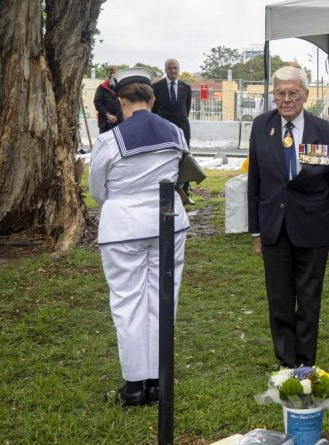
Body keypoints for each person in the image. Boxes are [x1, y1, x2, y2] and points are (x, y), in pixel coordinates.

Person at [89, 68, 190, 406]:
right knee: (163, 299)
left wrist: (120, 200)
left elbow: (97, 190)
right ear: (153, 98)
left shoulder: (109, 140)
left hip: (122, 227)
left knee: (128, 304)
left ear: (120, 100)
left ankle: (134, 385)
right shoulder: (175, 132)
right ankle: (159, 381)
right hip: (167, 222)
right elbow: (180, 173)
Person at [247, 66, 329, 369]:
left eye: (293, 92)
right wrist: (255, 231)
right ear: (273, 95)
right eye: (280, 93)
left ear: (305, 94)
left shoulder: (327, 132)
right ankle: (286, 363)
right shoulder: (261, 126)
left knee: (308, 301)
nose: (286, 99)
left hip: (313, 229)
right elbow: (255, 181)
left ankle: (305, 364)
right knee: (279, 301)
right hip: (274, 229)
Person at [153, 58, 194, 203]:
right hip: (163, 129)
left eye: (175, 68)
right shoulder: (156, 87)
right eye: (170, 68)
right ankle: (165, 192)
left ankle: (185, 193)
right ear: (165, 70)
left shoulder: (186, 87)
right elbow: (154, 110)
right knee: (164, 159)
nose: (173, 71)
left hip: (182, 127)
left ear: (179, 69)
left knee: (185, 159)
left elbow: (186, 108)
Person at [93, 65, 124, 133]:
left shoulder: (121, 88)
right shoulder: (101, 87)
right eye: (110, 73)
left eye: (114, 73)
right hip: (105, 123)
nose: (112, 75)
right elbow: (97, 103)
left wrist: (116, 117)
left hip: (118, 122)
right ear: (107, 73)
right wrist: (108, 115)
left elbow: (123, 103)